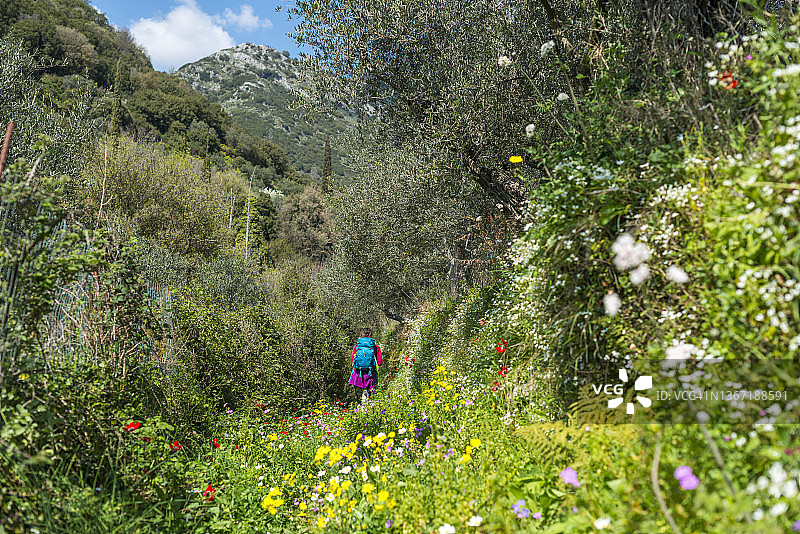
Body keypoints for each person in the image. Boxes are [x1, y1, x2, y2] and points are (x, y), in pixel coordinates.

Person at [348, 328, 382, 402]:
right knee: (371, 395)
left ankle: (359, 407)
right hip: (370, 374)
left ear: (361, 335)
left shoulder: (357, 347)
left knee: (359, 395)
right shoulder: (376, 347)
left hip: (358, 374)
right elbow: (380, 362)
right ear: (371, 336)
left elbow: (352, 362)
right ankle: (369, 408)